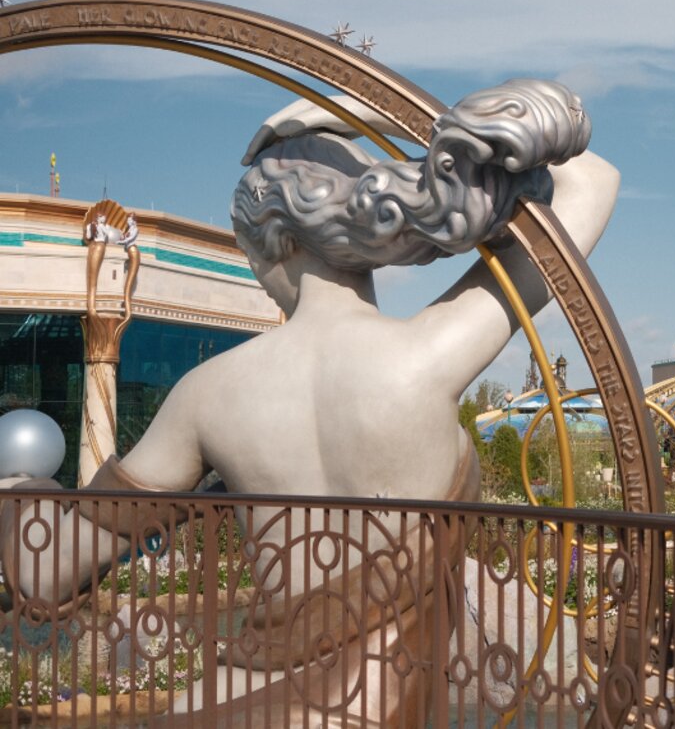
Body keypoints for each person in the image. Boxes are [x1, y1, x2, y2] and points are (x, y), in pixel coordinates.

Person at [1, 78, 619, 724]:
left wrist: (17, 493)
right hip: (371, 709)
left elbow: (51, 565)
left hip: (229, 702)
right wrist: (393, 121)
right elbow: (591, 181)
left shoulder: (208, 392)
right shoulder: (431, 355)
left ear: (275, 241)